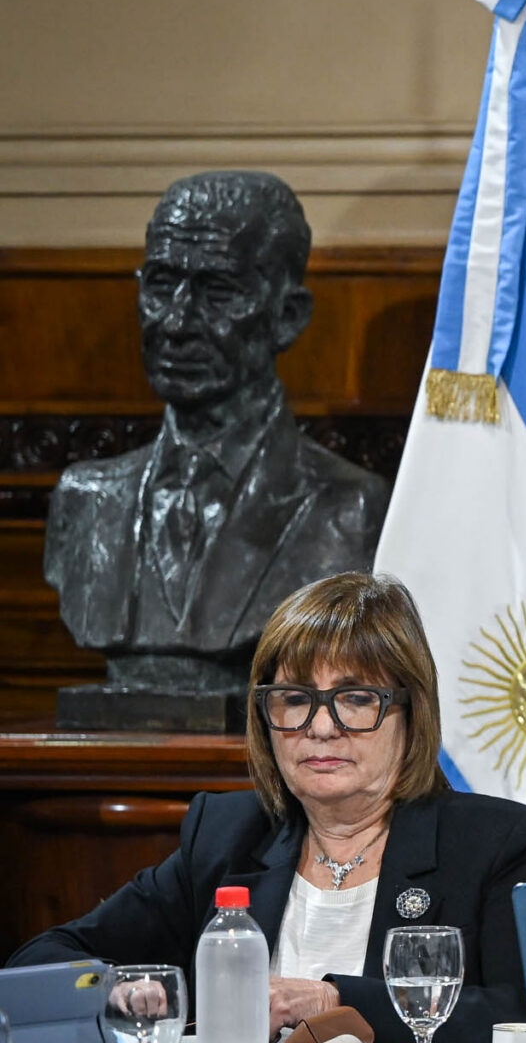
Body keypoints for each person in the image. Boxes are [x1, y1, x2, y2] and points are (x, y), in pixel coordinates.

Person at [10, 573, 526, 1043]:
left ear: (411, 712)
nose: (321, 727)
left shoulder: (496, 842)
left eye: (355, 698)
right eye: (295, 699)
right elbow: (41, 959)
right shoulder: (226, 833)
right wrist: (114, 986)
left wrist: (333, 999)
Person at [45, 172, 387, 714]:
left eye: (219, 292)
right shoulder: (86, 499)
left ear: (287, 317)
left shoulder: (350, 510)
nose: (176, 322)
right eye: (161, 285)